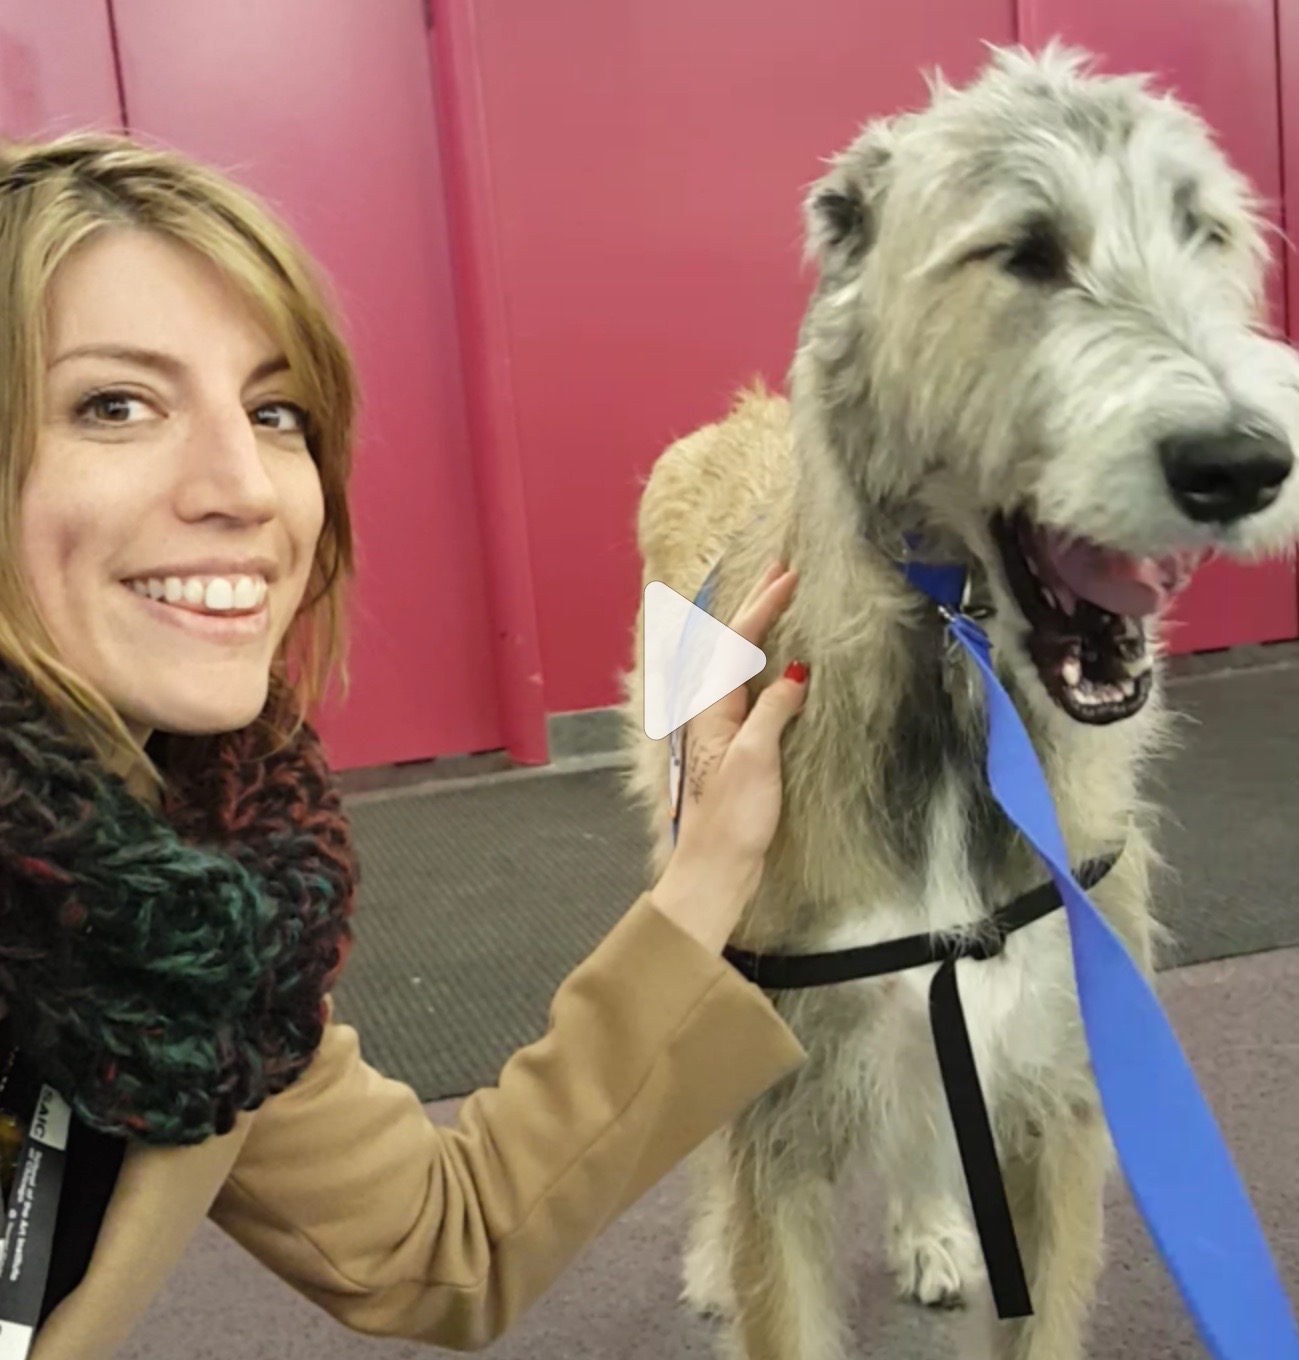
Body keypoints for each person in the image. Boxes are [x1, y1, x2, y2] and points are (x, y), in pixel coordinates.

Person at [0, 133, 809, 1360]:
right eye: (115, 404)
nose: (247, 486)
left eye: (276, 411)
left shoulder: (201, 914)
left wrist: (707, 866)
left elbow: (443, 1248)